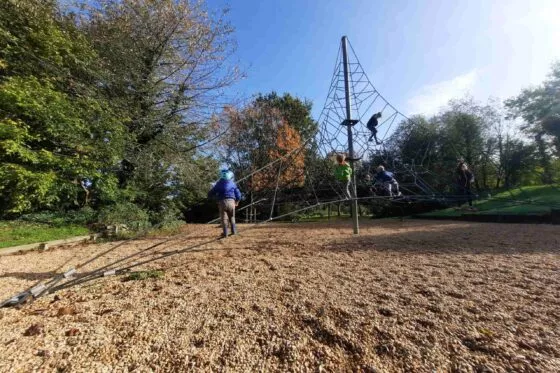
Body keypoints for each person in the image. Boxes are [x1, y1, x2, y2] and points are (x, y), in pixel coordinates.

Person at [208, 169, 242, 238]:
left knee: (224, 218)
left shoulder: (219, 183)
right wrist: (237, 201)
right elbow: (238, 194)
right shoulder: (233, 183)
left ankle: (225, 233)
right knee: (232, 217)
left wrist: (210, 195)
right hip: (232, 202)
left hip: (222, 202)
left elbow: (212, 192)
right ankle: (234, 231)